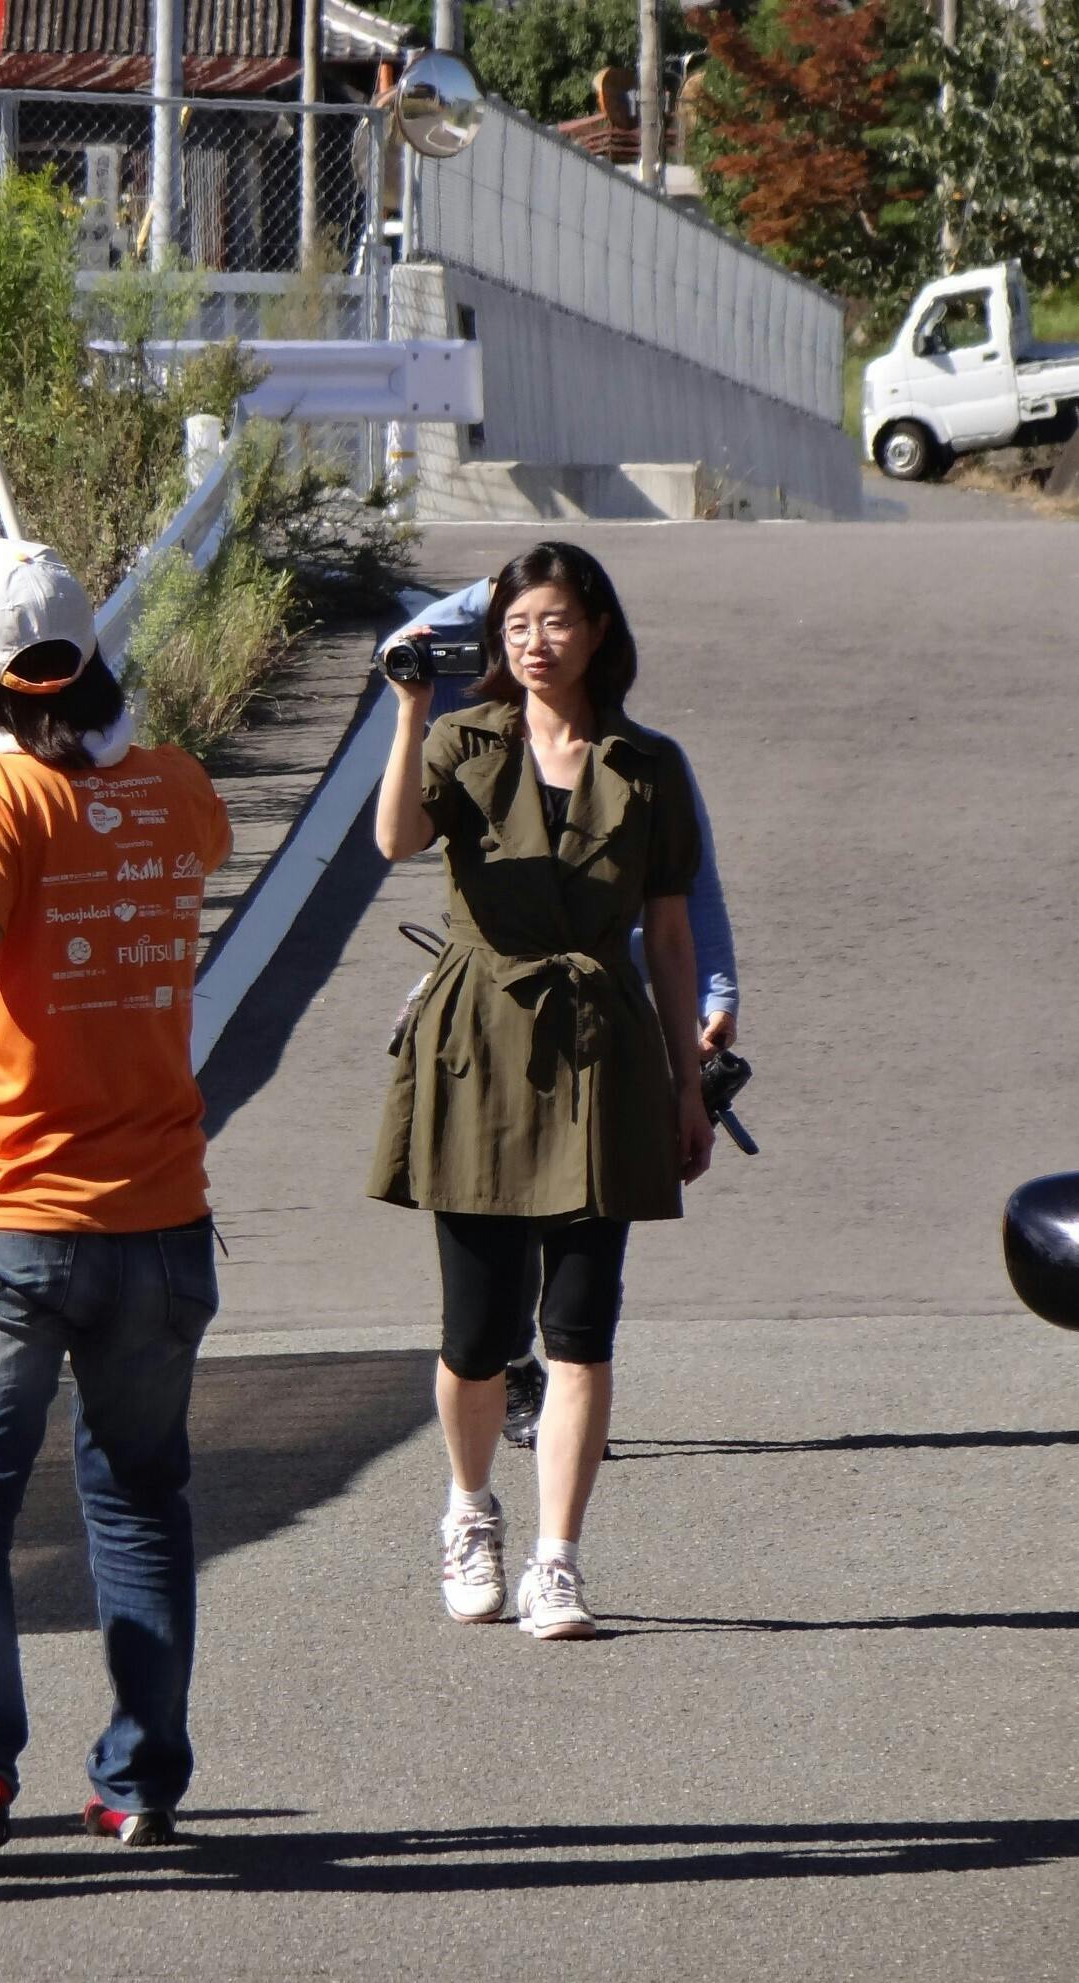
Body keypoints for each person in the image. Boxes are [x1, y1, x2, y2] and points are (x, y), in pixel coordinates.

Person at [0, 539, 234, 1873]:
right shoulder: (177, 787)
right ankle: (139, 1780)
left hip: (8, 1214)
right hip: (160, 1214)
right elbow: (191, 828)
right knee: (138, 1498)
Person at [370, 540, 714, 1641]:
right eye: (516, 626)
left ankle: (557, 1561)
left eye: (555, 621)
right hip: (477, 1044)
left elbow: (670, 936)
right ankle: (470, 1510)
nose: (534, 642)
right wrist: (408, 714)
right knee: (476, 1332)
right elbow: (395, 839)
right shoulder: (462, 740)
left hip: (601, 1052)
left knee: (581, 1327)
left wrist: (689, 1083)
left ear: (598, 630)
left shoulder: (648, 765)